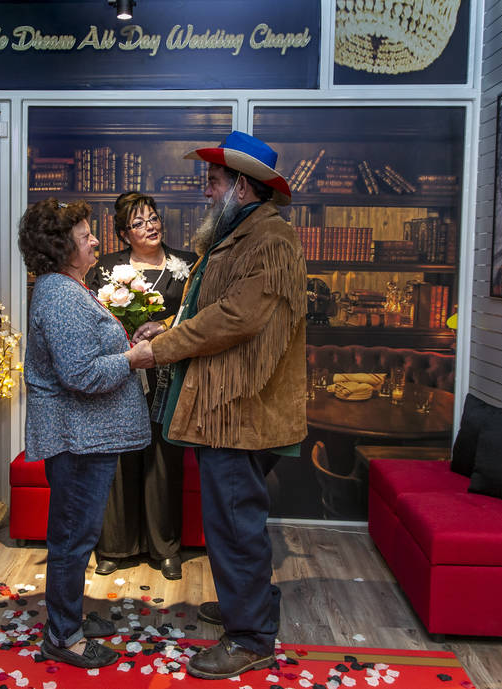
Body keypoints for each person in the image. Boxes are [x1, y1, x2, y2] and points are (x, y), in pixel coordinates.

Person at [133, 131, 308, 680]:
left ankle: (251, 636)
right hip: (227, 410)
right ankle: (246, 608)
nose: (206, 192)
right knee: (232, 521)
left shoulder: (271, 240)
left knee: (235, 525)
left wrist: (157, 349)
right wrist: (172, 323)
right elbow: (211, 304)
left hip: (242, 412)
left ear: (242, 187)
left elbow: (237, 318)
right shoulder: (239, 234)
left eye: (213, 182)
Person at [18, 198, 156, 669]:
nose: (96, 240)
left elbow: (88, 355)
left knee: (77, 534)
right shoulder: (59, 294)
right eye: (84, 235)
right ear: (60, 248)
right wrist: (133, 360)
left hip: (85, 436)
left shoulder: (67, 287)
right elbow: (80, 374)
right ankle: (63, 635)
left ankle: (68, 614)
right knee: (73, 538)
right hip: (76, 440)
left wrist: (130, 341)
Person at [85, 192, 197, 580]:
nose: (150, 226)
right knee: (118, 457)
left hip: (166, 374)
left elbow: (195, 319)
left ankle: (164, 547)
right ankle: (116, 546)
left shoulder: (186, 265)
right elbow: (93, 315)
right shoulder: (105, 269)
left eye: (153, 218)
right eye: (139, 222)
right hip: (121, 372)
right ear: (122, 233)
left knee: (164, 459)